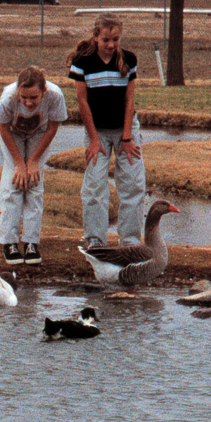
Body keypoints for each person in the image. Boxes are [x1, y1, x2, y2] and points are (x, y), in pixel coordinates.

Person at [68, 12, 146, 248]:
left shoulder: (129, 60)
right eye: (106, 40)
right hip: (97, 131)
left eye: (116, 39)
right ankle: (95, 240)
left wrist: (127, 138)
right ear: (95, 37)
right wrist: (93, 140)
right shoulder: (82, 62)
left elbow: (129, 100)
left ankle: (130, 241)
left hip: (125, 128)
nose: (111, 45)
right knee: (94, 185)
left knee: (133, 185)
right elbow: (82, 102)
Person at [0, 66, 68, 265]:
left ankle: (31, 242)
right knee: (14, 183)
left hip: (39, 133)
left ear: (43, 91)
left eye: (33, 97)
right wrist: (19, 163)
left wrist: (33, 161)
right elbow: (3, 127)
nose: (28, 102)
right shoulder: (8, 97)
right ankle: (9, 242)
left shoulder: (55, 96)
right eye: (24, 97)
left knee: (34, 183)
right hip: (13, 134)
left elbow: (52, 128)